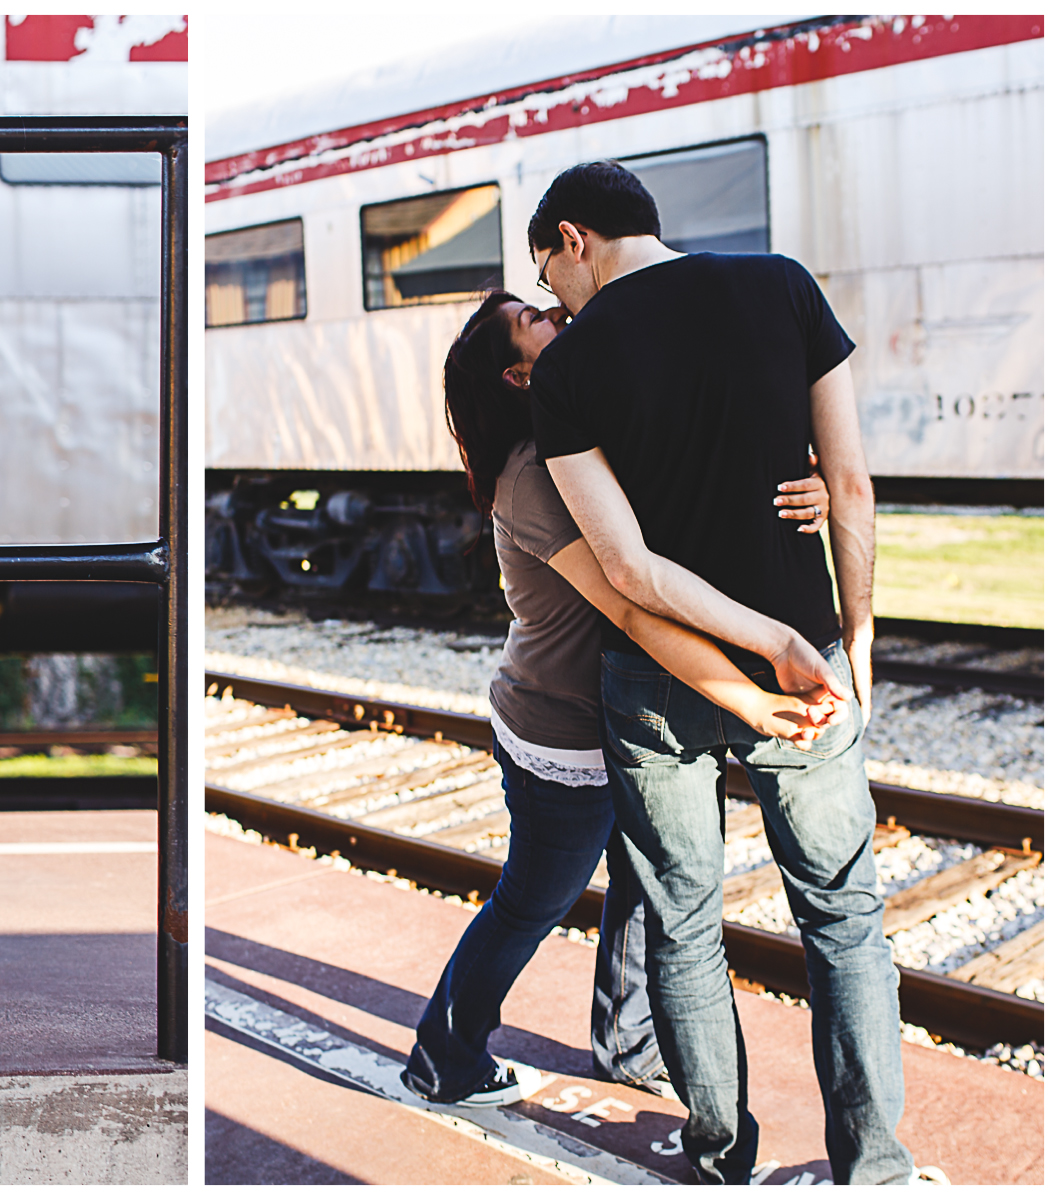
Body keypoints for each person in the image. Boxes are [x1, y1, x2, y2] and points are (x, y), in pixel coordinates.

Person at [526, 161, 912, 1184]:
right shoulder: (783, 284)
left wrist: (750, 638)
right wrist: (849, 638)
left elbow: (625, 568)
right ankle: (873, 1164)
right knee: (842, 915)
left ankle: (719, 1149)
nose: (555, 305)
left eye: (549, 277)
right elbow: (853, 484)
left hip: (656, 684)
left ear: (573, 239)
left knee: (685, 922)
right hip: (804, 664)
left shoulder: (567, 372)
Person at [406, 289, 836, 1113]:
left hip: (622, 716)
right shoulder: (532, 478)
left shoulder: (579, 441)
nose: (558, 316)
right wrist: (745, 699)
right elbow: (632, 603)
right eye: (538, 320)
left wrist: (813, 493)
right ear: (516, 374)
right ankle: (442, 1054)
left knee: (640, 889)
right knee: (533, 902)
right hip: (559, 730)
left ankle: (627, 1045)